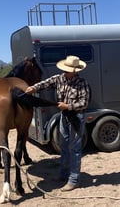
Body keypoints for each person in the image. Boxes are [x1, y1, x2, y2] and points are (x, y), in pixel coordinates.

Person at [25, 55, 90, 191]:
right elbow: (45, 83)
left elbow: (84, 102)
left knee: (75, 148)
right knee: (64, 145)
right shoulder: (59, 79)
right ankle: (64, 174)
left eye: (67, 70)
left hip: (76, 117)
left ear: (75, 71)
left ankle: (74, 180)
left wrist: (68, 106)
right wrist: (34, 88)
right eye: (65, 69)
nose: (65, 72)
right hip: (64, 116)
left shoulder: (82, 83)